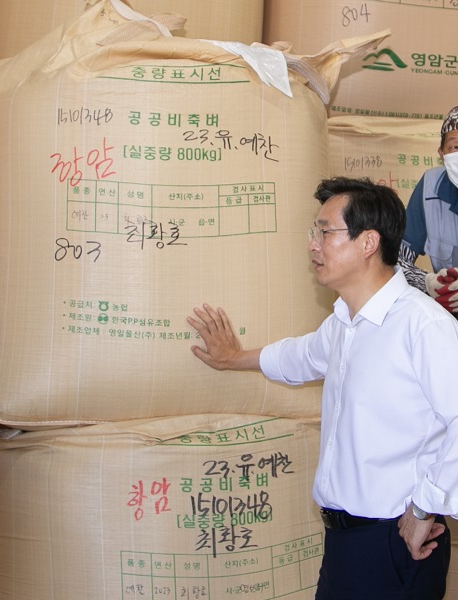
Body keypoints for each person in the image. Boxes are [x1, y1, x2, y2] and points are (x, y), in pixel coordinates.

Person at [187, 177, 458, 599]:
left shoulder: (423, 325)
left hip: (394, 543)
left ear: (368, 243)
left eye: (324, 231)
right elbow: (298, 357)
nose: (314, 244)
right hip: (344, 543)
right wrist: (231, 357)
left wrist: (427, 505)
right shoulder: (345, 323)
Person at [399, 105, 458, 314]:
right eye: (455, 147)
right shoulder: (430, 187)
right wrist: (427, 282)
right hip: (448, 315)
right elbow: (397, 259)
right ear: (441, 155)